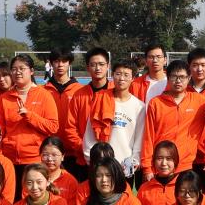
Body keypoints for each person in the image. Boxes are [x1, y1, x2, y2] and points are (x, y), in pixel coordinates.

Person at [0, 53, 60, 197]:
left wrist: (29, 116)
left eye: (22, 68)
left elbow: (53, 126)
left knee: (33, 201)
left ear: (32, 71)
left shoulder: (44, 95)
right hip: (10, 161)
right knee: (11, 200)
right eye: (14, 69)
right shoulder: (4, 99)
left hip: (35, 160)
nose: (17, 72)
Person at [141, 60, 205, 180]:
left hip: (186, 165)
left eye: (182, 77)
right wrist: (147, 167)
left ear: (189, 78)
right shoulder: (156, 103)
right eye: (174, 77)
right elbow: (148, 137)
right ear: (168, 78)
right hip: (161, 165)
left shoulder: (200, 101)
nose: (178, 81)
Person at [83, 58, 146, 183]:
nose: (121, 78)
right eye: (118, 74)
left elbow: (140, 139)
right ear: (112, 75)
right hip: (101, 165)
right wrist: (92, 159)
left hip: (124, 167)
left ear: (133, 78)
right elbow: (90, 134)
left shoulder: (139, 107)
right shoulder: (100, 99)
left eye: (126, 75)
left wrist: (134, 161)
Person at [63, 48, 113, 179]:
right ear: (88, 67)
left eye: (101, 64)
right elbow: (70, 128)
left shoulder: (116, 92)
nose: (98, 68)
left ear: (108, 66)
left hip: (112, 159)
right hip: (84, 159)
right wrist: (85, 149)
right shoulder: (79, 95)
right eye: (93, 64)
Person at [43, 49, 83, 139]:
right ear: (51, 64)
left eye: (64, 61)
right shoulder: (43, 90)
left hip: (73, 142)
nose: (60, 65)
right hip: (50, 143)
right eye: (57, 61)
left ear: (70, 63)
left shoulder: (80, 90)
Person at [38, 135, 82, 205]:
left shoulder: (70, 181)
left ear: (62, 157)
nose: (50, 159)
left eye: (54, 155)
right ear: (40, 156)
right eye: (45, 155)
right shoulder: (33, 177)